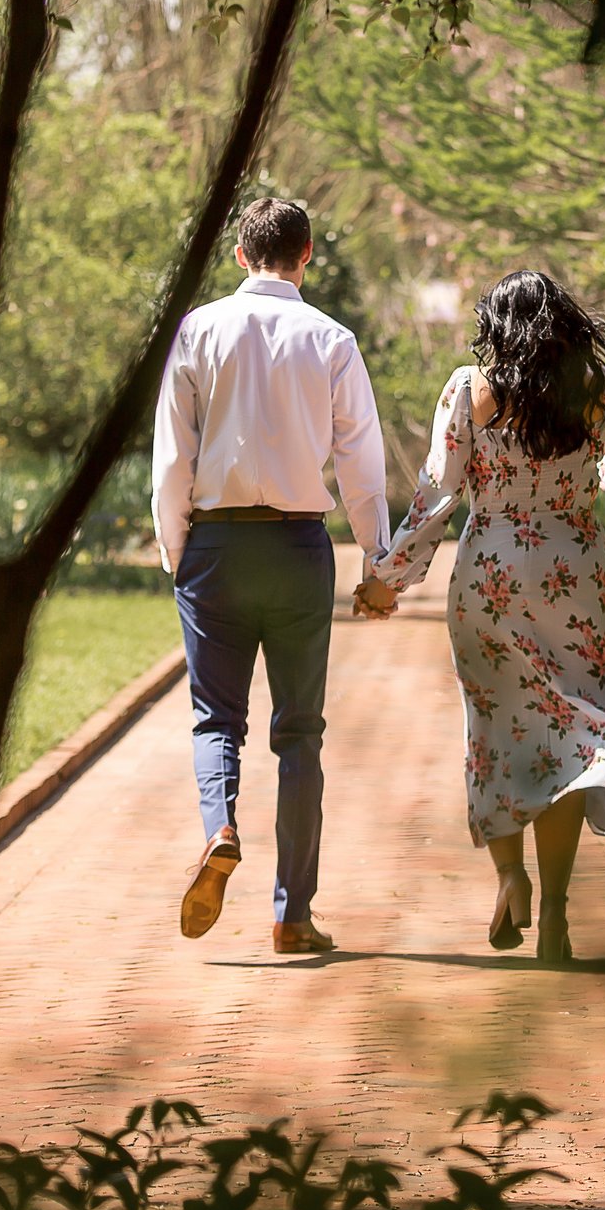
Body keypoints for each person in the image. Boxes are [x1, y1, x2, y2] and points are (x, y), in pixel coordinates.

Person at [354, 270, 605, 963]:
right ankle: (555, 915)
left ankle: (508, 877)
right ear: (562, 321)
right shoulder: (590, 386)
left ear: (493, 326)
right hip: (573, 576)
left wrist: (387, 579)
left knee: (500, 730)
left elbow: (435, 499)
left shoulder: (467, 390)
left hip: (489, 576)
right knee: (570, 741)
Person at [152, 198, 388, 954]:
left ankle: (220, 824)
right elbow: (361, 463)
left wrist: (175, 549)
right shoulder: (331, 338)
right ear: (307, 253)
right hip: (296, 547)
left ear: (239, 256)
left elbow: (171, 456)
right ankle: (292, 913)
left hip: (217, 545)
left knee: (216, 717)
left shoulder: (198, 329)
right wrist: (376, 561)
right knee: (300, 734)